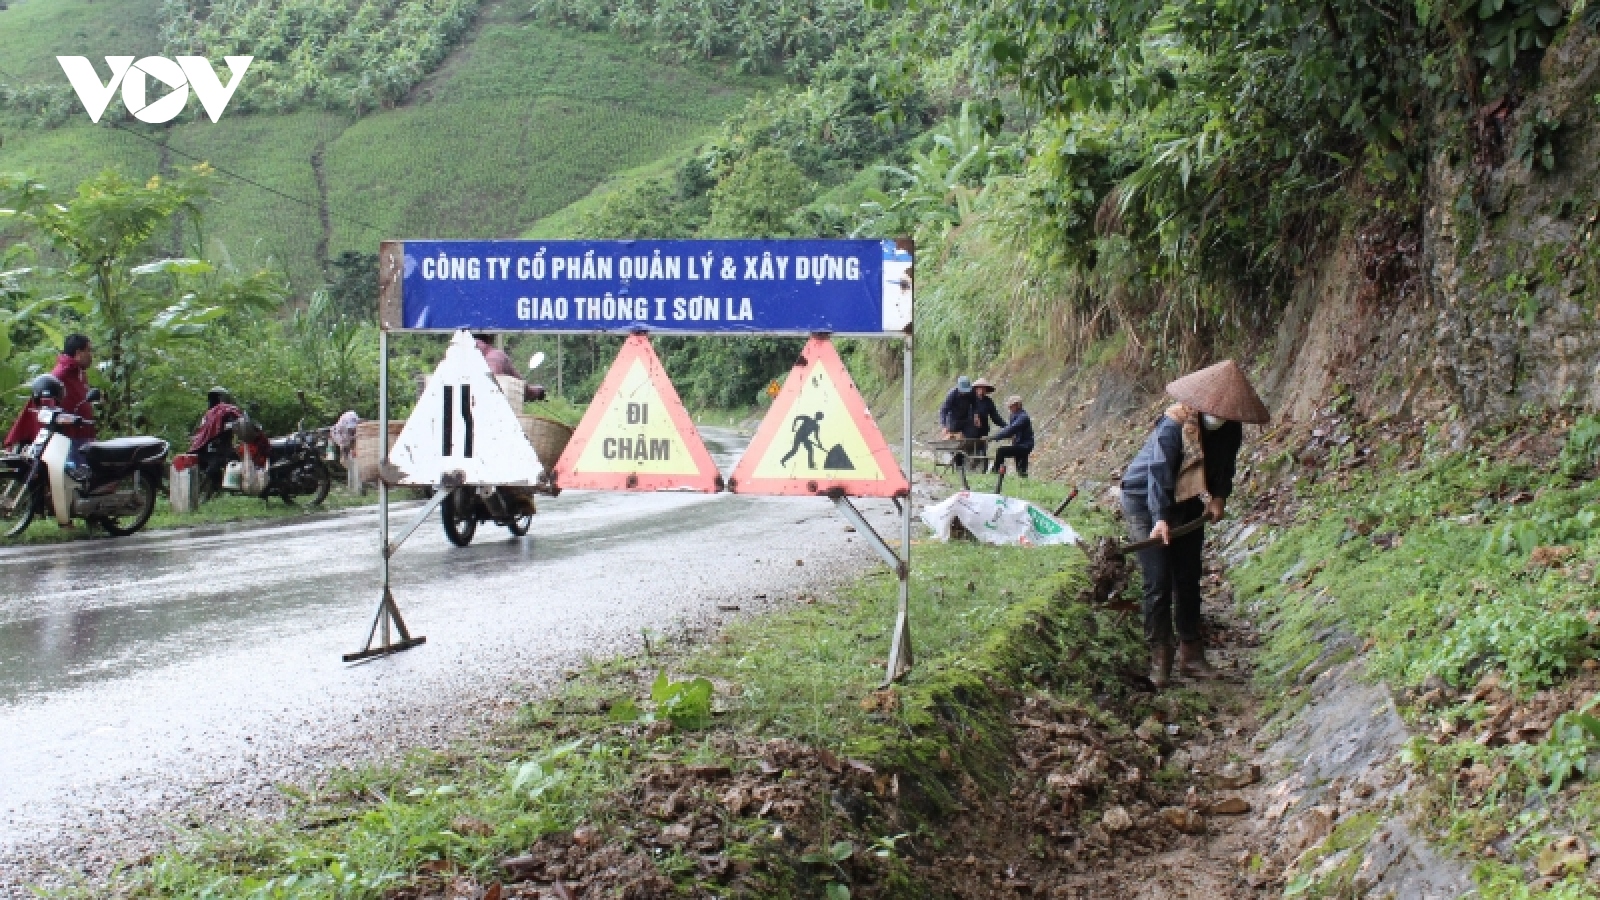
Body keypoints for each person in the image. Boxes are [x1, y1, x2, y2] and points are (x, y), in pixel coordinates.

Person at [1119, 360, 1268, 688]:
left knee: (1188, 577)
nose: (1222, 417)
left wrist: (1218, 497)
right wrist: (1159, 519)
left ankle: (1192, 655)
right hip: (1145, 500)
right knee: (1158, 582)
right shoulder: (1174, 426)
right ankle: (1160, 660)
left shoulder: (1230, 429)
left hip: (1187, 499)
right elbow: (1159, 472)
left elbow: (1224, 465)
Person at [4, 335, 97, 471]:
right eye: (89, 351)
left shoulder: (79, 373)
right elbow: (44, 407)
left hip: (81, 433)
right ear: (78, 353)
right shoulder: (59, 375)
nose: (91, 355)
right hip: (67, 437)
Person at [473, 333, 542, 403]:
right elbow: (522, 389)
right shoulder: (495, 355)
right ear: (490, 335)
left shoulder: (464, 352)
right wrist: (536, 392)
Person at [991, 395, 1034, 477]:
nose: (1010, 408)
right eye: (1009, 406)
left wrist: (997, 436)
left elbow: (1012, 428)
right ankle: (1023, 480)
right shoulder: (1014, 416)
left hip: (1024, 446)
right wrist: (998, 435)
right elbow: (1010, 429)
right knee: (1021, 469)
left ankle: (995, 472)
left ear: (1018, 405)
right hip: (1019, 445)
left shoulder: (1023, 417)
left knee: (1001, 451)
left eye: (1011, 406)